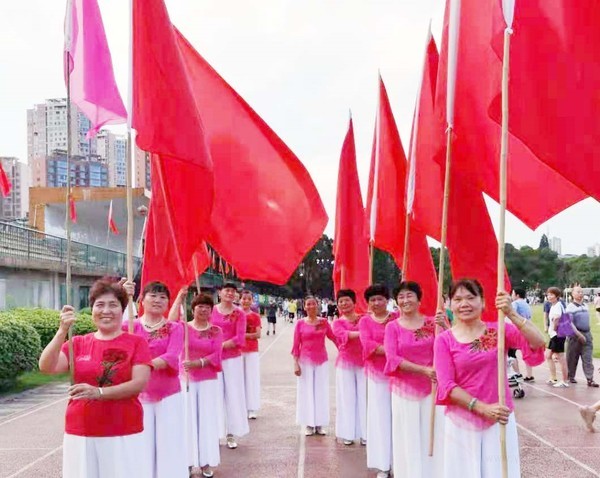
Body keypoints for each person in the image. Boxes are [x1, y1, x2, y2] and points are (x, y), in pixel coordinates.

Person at [38, 279, 152, 478]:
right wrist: (62, 330)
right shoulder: (78, 343)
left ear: (122, 310)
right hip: (81, 430)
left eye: (113, 305)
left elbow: (138, 384)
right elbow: (47, 367)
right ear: (92, 310)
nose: (106, 310)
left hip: (123, 429)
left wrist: (99, 392)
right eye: (100, 305)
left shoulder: (136, 343)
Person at [434, 279, 545, 478]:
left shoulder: (500, 330)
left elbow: (537, 342)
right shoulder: (444, 339)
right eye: (457, 299)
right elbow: (446, 385)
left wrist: (511, 312)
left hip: (500, 418)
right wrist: (483, 408)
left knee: (500, 472)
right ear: (450, 304)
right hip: (462, 421)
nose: (464, 304)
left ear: (483, 302)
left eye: (470, 297)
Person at [384, 281, 448, 478]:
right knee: (408, 435)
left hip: (432, 388)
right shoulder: (392, 327)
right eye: (401, 297)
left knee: (434, 435)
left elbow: (450, 345)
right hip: (404, 390)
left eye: (409, 295)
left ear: (419, 299)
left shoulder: (432, 323)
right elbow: (392, 359)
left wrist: (445, 325)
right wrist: (423, 370)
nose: (405, 300)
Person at [130, 281, 187, 478]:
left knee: (169, 442)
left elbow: (172, 356)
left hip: (168, 394)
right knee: (141, 442)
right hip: (137, 394)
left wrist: (142, 366)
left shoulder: (174, 328)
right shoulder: (130, 326)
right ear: (142, 300)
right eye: (153, 295)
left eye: (163, 297)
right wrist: (123, 294)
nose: (157, 300)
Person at [181, 293, 224, 478]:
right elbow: (170, 321)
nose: (204, 309)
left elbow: (217, 355)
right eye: (200, 306)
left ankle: (206, 462)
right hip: (187, 380)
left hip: (207, 380)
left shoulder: (216, 331)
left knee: (206, 419)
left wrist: (198, 363)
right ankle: (189, 463)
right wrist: (179, 297)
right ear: (193, 308)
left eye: (207, 306)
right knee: (188, 420)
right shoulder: (183, 328)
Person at [359, 284, 397, 478]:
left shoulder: (397, 318)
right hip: (377, 376)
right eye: (372, 300)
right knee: (380, 419)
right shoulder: (365, 322)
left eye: (380, 299)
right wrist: (393, 350)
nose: (376, 303)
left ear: (387, 300)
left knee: (399, 418)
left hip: (400, 374)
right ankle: (383, 464)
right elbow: (368, 345)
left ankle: (398, 461)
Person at [291, 296, 338, 436]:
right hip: (305, 362)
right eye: (308, 304)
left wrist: (343, 349)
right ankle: (309, 424)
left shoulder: (323, 322)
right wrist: (295, 363)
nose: (311, 306)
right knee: (307, 392)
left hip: (321, 361)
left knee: (321, 392)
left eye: (313, 304)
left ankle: (319, 424)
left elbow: (334, 338)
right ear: (304, 307)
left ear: (317, 306)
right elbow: (295, 345)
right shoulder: (300, 324)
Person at [210, 283, 249, 449]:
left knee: (233, 395)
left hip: (232, 359)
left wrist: (219, 345)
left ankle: (231, 433)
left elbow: (240, 339)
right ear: (220, 292)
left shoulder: (239, 313)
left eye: (233, 292)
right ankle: (217, 432)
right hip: (213, 359)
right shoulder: (210, 310)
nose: (230, 294)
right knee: (215, 395)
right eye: (227, 291)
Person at [332, 289, 366, 446]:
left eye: (347, 300)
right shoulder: (337, 322)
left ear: (354, 302)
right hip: (345, 363)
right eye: (341, 301)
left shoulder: (365, 318)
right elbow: (345, 336)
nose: (344, 304)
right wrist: (364, 332)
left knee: (365, 398)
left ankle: (366, 433)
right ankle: (348, 433)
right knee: (347, 398)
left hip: (365, 362)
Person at [566, 286, 598, 387]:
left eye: (581, 292)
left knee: (588, 358)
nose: (580, 293)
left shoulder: (585, 306)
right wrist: (579, 335)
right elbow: (569, 323)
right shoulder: (570, 307)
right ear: (573, 294)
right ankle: (571, 376)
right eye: (578, 292)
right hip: (575, 335)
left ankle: (590, 378)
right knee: (572, 357)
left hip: (587, 333)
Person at [241, 290, 262, 418]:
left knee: (251, 379)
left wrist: (241, 336)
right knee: (239, 380)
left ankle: (252, 408)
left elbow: (258, 334)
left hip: (251, 351)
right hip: (237, 351)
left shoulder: (255, 316)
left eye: (249, 299)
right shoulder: (235, 314)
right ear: (240, 299)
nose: (246, 301)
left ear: (252, 301)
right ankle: (241, 407)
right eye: (244, 298)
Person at [545, 287, 569, 388]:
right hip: (554, 335)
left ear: (557, 296)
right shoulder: (553, 305)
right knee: (548, 355)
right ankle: (553, 377)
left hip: (557, 335)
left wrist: (554, 329)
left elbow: (557, 318)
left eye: (551, 294)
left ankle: (564, 380)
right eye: (548, 294)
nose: (549, 296)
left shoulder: (558, 305)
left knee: (561, 357)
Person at [509, 287, 534, 382]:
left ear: (517, 295)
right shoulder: (527, 304)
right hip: (527, 330)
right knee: (526, 352)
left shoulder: (515, 304)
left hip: (517, 331)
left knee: (511, 353)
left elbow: (511, 314)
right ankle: (529, 375)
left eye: (512, 294)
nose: (511, 296)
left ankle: (517, 374)